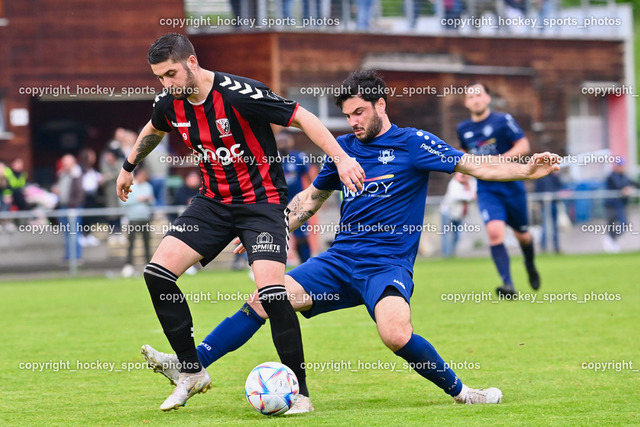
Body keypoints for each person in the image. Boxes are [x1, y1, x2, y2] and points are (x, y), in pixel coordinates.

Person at [140, 70, 560, 411]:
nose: (354, 122)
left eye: (360, 112)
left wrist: (526, 170)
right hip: (339, 262)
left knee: (395, 334)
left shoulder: (413, 143)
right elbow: (311, 198)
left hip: (387, 265)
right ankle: (190, 367)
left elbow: (476, 166)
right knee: (266, 298)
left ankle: (463, 392)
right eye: (348, 115)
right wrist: (275, 226)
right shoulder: (342, 149)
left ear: (381, 104)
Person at [115, 33, 365, 412]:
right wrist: (128, 167)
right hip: (213, 202)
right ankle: (191, 371)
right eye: (159, 77)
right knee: (157, 272)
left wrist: (342, 158)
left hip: (261, 204)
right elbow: (153, 129)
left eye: (170, 74)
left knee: (272, 294)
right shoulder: (170, 102)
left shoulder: (239, 93)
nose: (165, 84)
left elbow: (304, 117)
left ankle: (300, 395)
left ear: (192, 63)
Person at [457, 83, 540, 297]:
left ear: (487, 98)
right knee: (495, 233)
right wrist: (461, 171)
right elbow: (464, 154)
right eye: (471, 97)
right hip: (487, 188)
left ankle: (530, 264)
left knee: (522, 235)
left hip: (512, 186)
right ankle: (508, 284)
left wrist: (500, 160)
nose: (475, 99)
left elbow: (523, 146)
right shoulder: (463, 129)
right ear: (466, 102)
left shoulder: (503, 121)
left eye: (479, 95)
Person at [277, 131, 312, 264]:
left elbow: (310, 178)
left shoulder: (299, 157)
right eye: (279, 141)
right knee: (278, 236)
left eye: (284, 141)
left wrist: (313, 196)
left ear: (290, 141)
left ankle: (306, 263)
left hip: (298, 203)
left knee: (302, 236)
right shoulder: (272, 158)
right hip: (278, 203)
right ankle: (278, 265)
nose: (282, 144)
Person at [120, 167, 155, 277]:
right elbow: (123, 201)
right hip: (133, 219)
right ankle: (128, 265)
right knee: (131, 243)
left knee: (147, 242)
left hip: (145, 218)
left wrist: (148, 199)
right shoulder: (129, 186)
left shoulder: (148, 186)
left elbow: (152, 201)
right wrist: (138, 200)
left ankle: (147, 264)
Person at [53, 154, 85, 262]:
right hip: (63, 206)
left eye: (67, 163)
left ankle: (76, 257)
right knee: (66, 233)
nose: (65, 165)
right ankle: (68, 256)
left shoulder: (77, 175)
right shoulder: (62, 174)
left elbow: (80, 194)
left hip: (73, 208)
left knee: (74, 232)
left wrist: (73, 206)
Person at [603, 158, 639, 253]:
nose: (621, 168)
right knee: (611, 224)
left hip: (621, 204)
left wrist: (629, 187)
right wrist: (625, 189)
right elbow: (617, 186)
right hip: (611, 204)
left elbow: (633, 183)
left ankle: (611, 239)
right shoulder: (611, 176)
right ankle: (611, 241)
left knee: (623, 224)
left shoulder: (625, 176)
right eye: (620, 166)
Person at [440, 173, 476, 257]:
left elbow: (475, 195)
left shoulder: (471, 182)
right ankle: (446, 255)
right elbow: (456, 196)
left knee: (457, 234)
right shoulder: (454, 182)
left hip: (459, 214)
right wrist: (469, 196)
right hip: (448, 212)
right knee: (446, 234)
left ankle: (452, 253)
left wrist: (469, 196)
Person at [534, 171, 562, 253]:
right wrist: (539, 202)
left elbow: (559, 185)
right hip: (544, 203)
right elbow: (537, 189)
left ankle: (556, 247)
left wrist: (556, 176)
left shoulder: (554, 175)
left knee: (555, 226)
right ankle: (543, 247)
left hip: (553, 202)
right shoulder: (540, 175)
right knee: (545, 226)